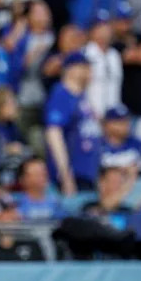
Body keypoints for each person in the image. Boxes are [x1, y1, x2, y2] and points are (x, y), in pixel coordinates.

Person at [43, 51, 97, 193]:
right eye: (83, 67)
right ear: (70, 69)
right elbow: (54, 134)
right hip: (73, 175)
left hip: (87, 172)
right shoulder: (61, 94)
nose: (88, 71)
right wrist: (65, 173)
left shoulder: (82, 96)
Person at [11, 157, 65, 222]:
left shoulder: (57, 202)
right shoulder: (13, 201)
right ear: (22, 179)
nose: (42, 176)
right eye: (36, 173)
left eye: (43, 172)